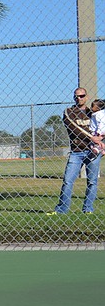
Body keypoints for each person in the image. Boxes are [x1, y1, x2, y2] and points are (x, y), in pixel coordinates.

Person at [48, 87, 99, 215]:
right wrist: (92, 137)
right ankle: (62, 209)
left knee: (92, 181)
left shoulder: (93, 113)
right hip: (76, 152)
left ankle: (88, 209)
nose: (79, 98)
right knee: (68, 180)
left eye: (82, 96)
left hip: (93, 151)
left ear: (86, 97)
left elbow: (102, 128)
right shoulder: (69, 112)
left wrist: (101, 143)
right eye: (76, 96)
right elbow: (73, 128)